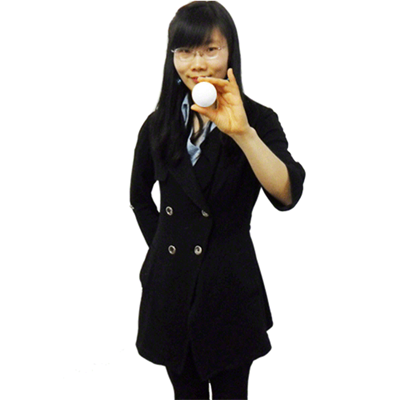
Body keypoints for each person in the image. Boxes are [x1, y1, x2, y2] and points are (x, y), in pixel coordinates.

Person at [130, 1, 306, 399]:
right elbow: (140, 199)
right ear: (172, 57)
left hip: (229, 289)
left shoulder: (257, 120)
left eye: (210, 49)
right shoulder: (158, 124)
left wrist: (243, 134)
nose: (197, 63)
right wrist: (165, 255)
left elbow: (287, 193)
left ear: (230, 53)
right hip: (172, 292)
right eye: (185, 51)